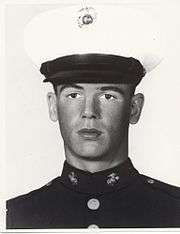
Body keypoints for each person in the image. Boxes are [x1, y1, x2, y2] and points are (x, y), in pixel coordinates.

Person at [6, 4, 180, 229]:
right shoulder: (15, 217)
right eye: (74, 95)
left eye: (108, 96)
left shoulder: (174, 212)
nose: (89, 111)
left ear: (134, 108)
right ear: (52, 106)